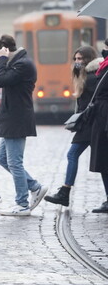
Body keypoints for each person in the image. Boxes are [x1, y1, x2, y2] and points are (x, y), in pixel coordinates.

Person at [0, 35, 48, 216]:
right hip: (11, 119)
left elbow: (0, 81)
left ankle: (22, 203)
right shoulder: (17, 64)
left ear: (5, 50)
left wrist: (1, 60)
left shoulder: (23, 65)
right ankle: (34, 186)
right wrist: (2, 61)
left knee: (15, 162)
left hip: (16, 119)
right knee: (2, 158)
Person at [45, 47, 103, 206]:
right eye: (75, 59)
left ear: (88, 59)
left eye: (80, 59)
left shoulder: (91, 77)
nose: (77, 62)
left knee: (73, 155)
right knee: (103, 162)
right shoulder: (89, 75)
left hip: (91, 124)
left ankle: (65, 192)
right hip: (91, 123)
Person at [89, 49, 108, 213]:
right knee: (103, 162)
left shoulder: (105, 69)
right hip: (101, 119)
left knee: (104, 161)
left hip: (105, 120)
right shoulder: (103, 67)